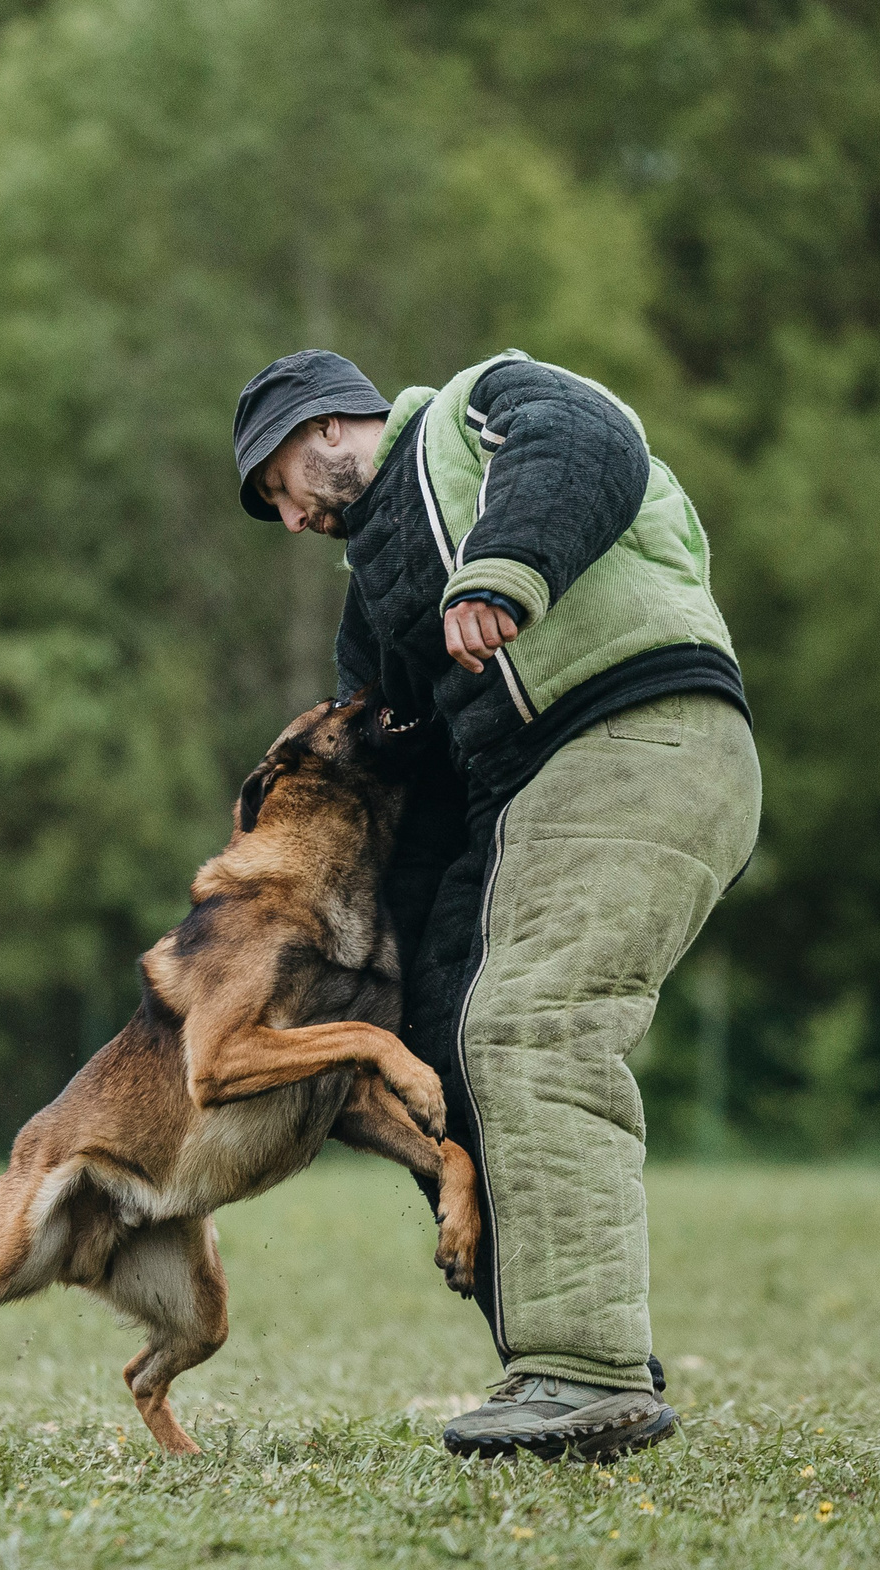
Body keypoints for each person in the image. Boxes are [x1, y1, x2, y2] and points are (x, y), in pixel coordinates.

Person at [232, 348, 760, 1460]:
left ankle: (585, 1371)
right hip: (525, 791)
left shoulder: (474, 409)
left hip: (633, 733)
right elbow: (393, 793)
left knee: (530, 1021)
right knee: (444, 1044)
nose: (285, 520)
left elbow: (591, 444)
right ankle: (565, 1363)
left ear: (325, 425)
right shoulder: (374, 601)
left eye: (273, 485)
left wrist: (503, 568)